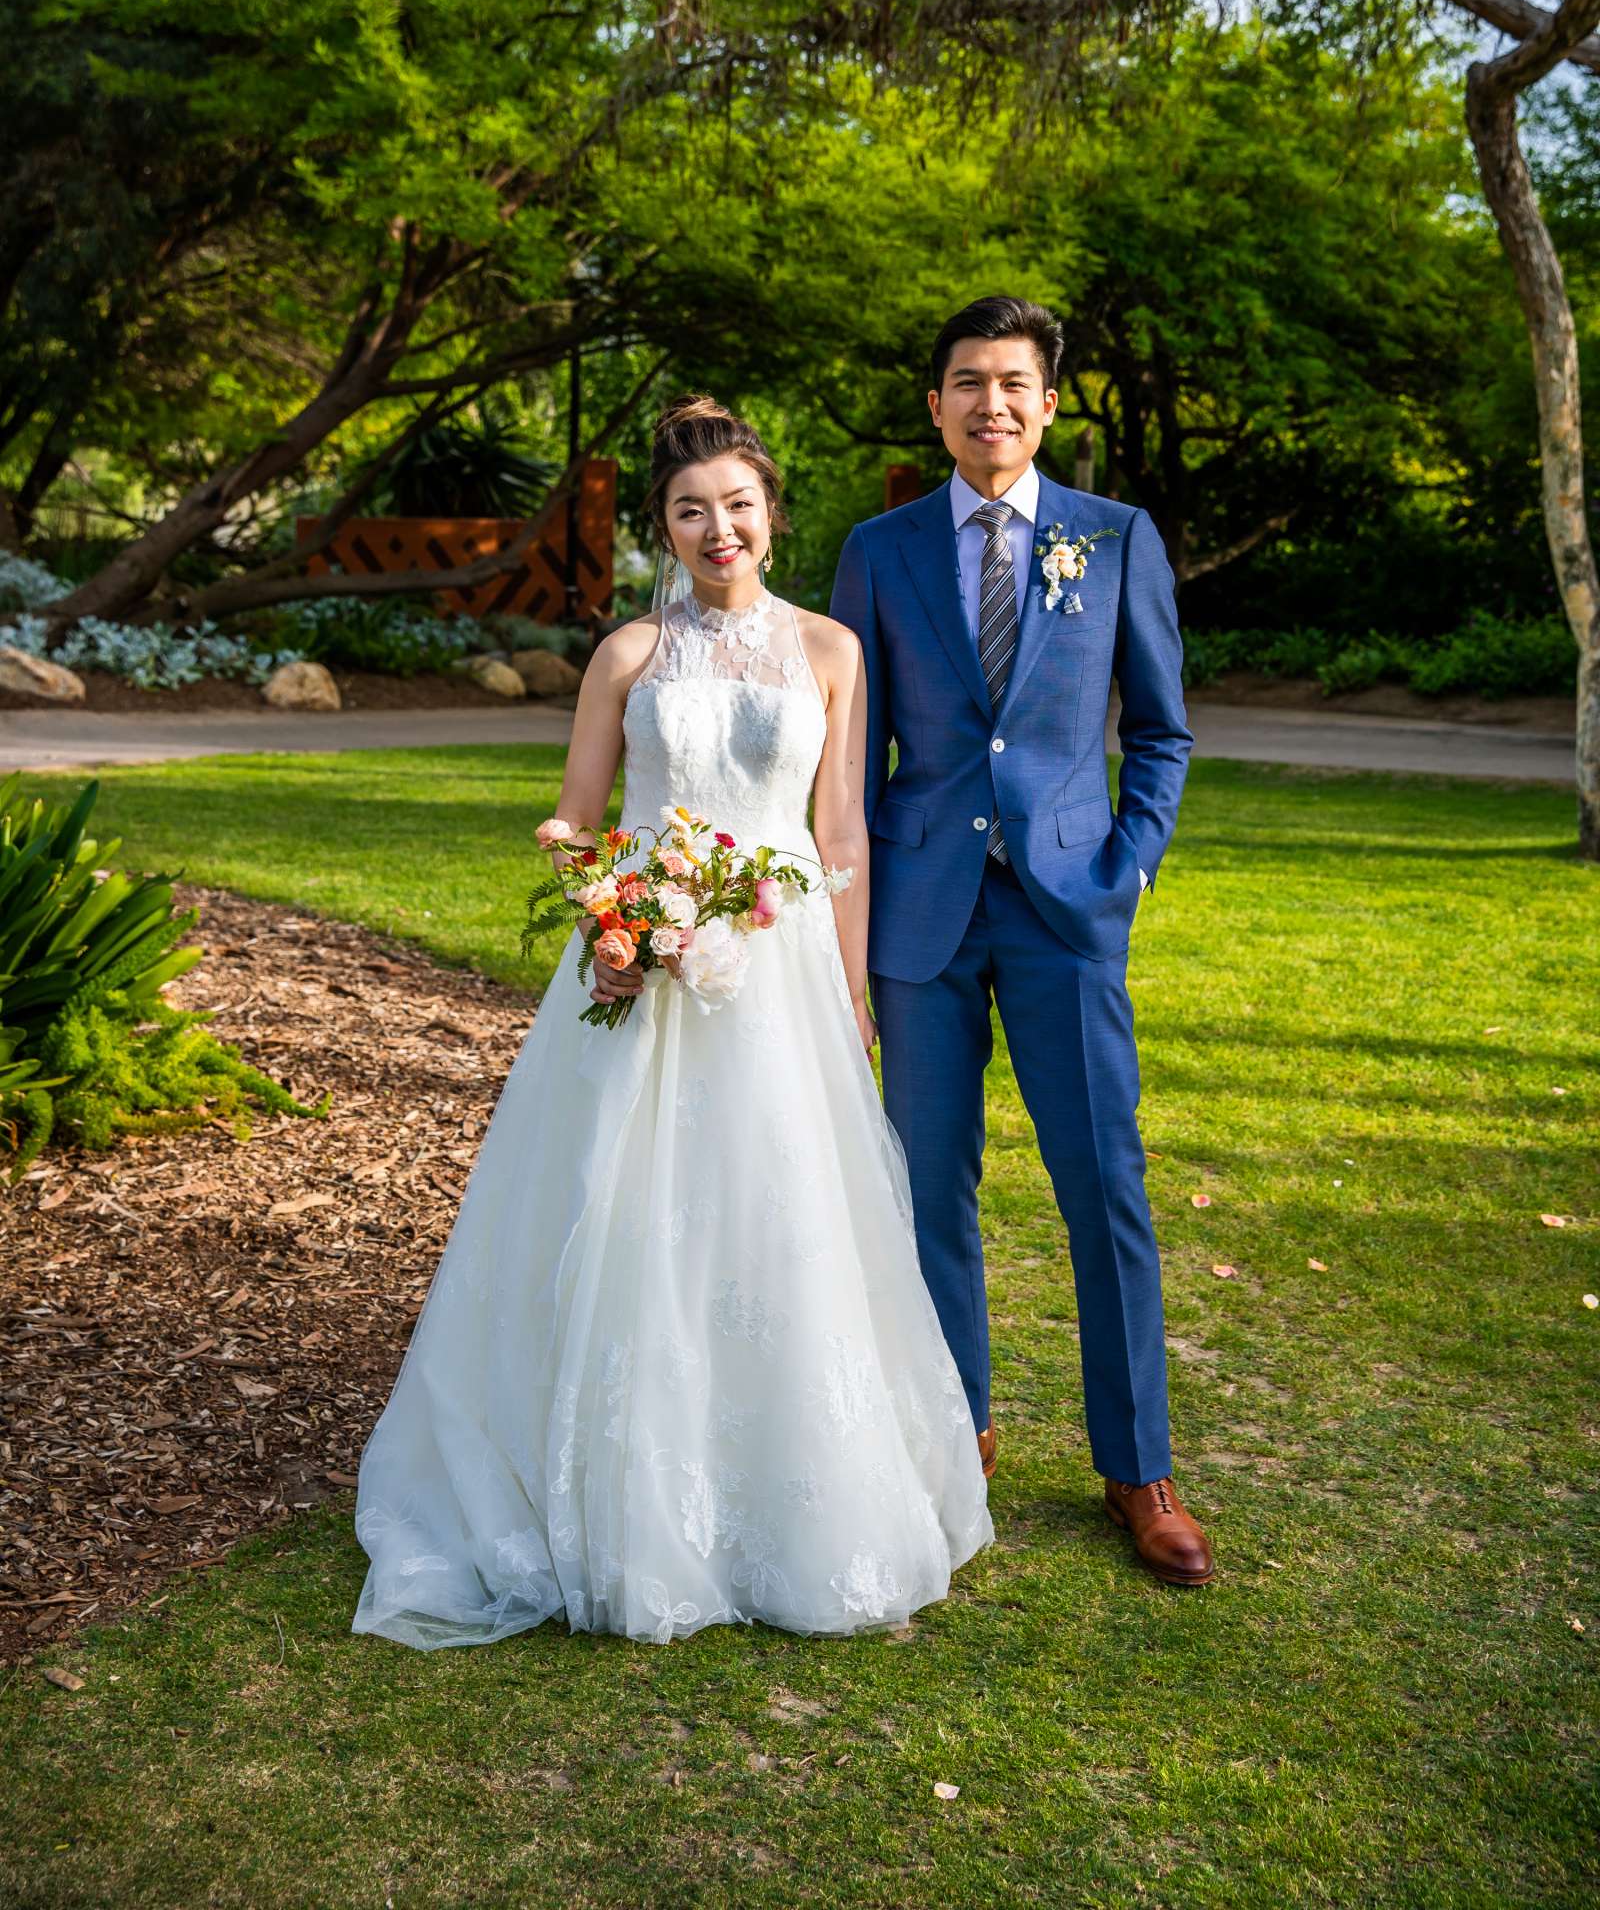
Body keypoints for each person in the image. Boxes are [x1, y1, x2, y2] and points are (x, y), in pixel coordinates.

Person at [350, 396, 992, 1650]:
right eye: (691, 512)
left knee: (779, 1217)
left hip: (778, 969)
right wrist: (609, 918)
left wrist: (850, 991)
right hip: (630, 972)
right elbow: (575, 819)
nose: (719, 529)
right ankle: (600, 1489)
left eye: (738, 506)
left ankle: (783, 1494)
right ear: (664, 527)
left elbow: (841, 833)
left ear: (771, 513)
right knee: (616, 1209)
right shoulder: (628, 658)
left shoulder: (828, 653)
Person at [830, 296, 1214, 1585]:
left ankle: (1137, 1466)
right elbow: (849, 761)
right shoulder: (876, 554)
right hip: (921, 916)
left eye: (1013, 383)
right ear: (932, 405)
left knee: (1101, 1184)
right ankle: (955, 1438)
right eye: (964, 382)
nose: (990, 403)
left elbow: (1159, 729)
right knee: (926, 1187)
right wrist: (841, 918)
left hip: (1068, 913)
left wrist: (1128, 870)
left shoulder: (1115, 540)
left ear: (1049, 403)